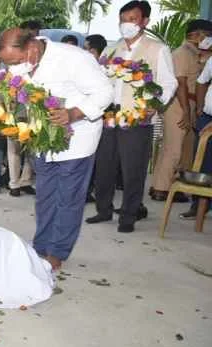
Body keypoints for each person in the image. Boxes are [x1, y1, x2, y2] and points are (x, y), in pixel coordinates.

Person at [0, 27, 114, 270]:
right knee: (45, 196)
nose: (14, 67)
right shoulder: (21, 64)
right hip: (43, 140)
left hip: (77, 139)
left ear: (31, 48)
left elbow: (105, 92)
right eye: (9, 63)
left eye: (16, 61)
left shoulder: (73, 58)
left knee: (68, 198)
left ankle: (58, 252)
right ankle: (41, 246)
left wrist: (73, 113)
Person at [87, 0, 178, 233]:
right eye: (123, 19)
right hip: (109, 115)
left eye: (132, 19)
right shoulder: (111, 49)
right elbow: (99, 79)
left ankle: (128, 215)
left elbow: (169, 82)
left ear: (144, 21)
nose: (126, 24)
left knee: (133, 169)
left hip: (137, 117)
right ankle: (103, 209)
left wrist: (156, 105)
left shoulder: (157, 49)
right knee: (104, 166)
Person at [151, 20, 212, 202]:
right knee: (174, 148)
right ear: (196, 34)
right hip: (179, 104)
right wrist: (186, 111)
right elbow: (181, 84)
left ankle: (166, 186)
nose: (209, 39)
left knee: (184, 149)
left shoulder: (196, 54)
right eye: (207, 34)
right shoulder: (182, 53)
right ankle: (161, 189)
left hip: (189, 104)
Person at [181, 53, 212, 219]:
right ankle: (198, 206)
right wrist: (199, 109)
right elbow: (201, 82)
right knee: (202, 164)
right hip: (206, 117)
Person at [83, 34, 109, 203]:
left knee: (101, 160)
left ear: (94, 51)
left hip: (105, 120)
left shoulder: (108, 69)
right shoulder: (85, 69)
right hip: (86, 120)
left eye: (87, 49)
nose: (84, 53)